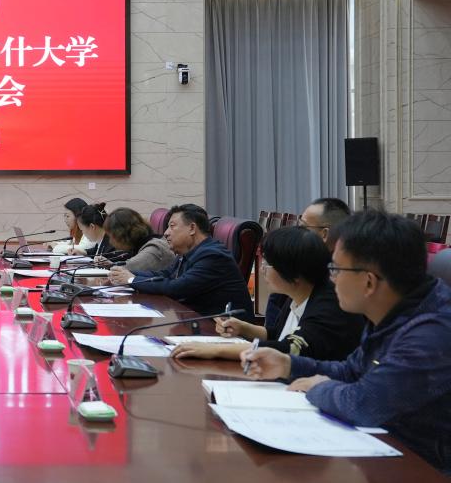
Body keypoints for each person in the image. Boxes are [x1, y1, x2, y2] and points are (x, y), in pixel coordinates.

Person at [241, 210, 451, 474]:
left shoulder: (431, 333)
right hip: (387, 454)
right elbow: (352, 371)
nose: (331, 279)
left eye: (336, 269)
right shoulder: (391, 310)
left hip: (424, 469)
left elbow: (362, 403)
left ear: (368, 281)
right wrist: (288, 365)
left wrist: (318, 387)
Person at [171, 226, 363, 362]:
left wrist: (216, 350)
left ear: (294, 273)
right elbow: (277, 335)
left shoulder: (328, 304)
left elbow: (288, 349)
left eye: (267, 264)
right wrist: (243, 328)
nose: (262, 269)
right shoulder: (296, 294)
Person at [108, 204, 253, 317]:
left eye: (172, 226)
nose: (166, 233)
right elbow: (165, 274)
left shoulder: (212, 256)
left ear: (192, 228)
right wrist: (127, 274)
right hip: (196, 323)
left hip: (223, 333)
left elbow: (177, 288)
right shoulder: (188, 252)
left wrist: (131, 280)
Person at [264, 197, 351, 327]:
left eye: (303, 227)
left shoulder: (335, 279)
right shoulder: (300, 262)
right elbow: (275, 331)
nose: (296, 232)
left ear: (324, 234)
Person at [97, 207, 174, 272]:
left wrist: (111, 266)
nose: (110, 242)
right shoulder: (149, 242)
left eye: (111, 236)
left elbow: (125, 270)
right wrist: (111, 265)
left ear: (121, 235)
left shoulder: (153, 249)